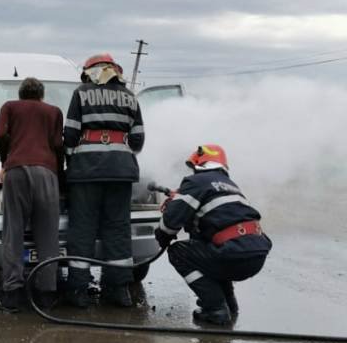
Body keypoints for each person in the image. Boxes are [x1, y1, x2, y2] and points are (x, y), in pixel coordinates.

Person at [154, 144, 272, 325]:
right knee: (210, 251)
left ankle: (215, 308)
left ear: (200, 164)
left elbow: (170, 224)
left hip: (233, 254)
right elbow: (216, 220)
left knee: (179, 252)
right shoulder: (230, 186)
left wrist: (163, 233)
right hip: (256, 256)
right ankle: (230, 305)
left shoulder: (195, 182)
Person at [63, 53, 145, 307]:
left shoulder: (81, 93)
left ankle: (78, 291)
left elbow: (70, 134)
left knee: (82, 230)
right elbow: (138, 139)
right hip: (121, 173)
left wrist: (73, 158)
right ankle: (118, 290)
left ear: (90, 71)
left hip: (86, 173)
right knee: (118, 229)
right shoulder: (130, 97)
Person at [0, 77, 64, 311]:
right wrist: (59, 177)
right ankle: (47, 294)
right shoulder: (53, 112)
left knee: (13, 233)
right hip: (47, 172)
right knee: (48, 235)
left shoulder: (9, 107)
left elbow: (0, 136)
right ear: (41, 95)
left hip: (16, 172)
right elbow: (57, 144)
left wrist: (6, 159)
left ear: (21, 93)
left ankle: (13, 293)